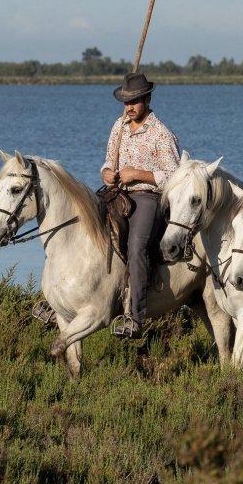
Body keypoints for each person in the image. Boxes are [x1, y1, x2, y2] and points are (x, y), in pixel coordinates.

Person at [101, 72, 181, 338]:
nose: (130, 107)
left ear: (147, 99)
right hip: (117, 193)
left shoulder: (161, 133)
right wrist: (107, 173)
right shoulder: (119, 126)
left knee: (136, 246)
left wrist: (138, 174)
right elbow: (108, 161)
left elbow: (174, 176)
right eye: (126, 102)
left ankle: (135, 316)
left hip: (148, 197)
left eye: (135, 101)